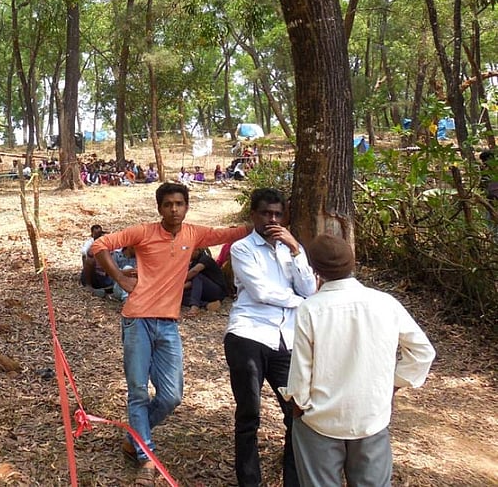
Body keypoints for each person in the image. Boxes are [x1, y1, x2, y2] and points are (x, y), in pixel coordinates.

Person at [91, 182, 253, 483]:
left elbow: (227, 234)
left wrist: (260, 222)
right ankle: (146, 458)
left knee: (171, 396)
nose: (174, 209)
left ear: (187, 206)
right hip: (136, 319)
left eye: (179, 204)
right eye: (168, 204)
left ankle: (136, 435)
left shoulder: (194, 234)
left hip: (168, 323)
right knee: (138, 392)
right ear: (159, 208)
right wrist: (120, 279)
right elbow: (98, 246)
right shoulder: (142, 231)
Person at [281, 234, 436, 487]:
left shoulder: (311, 308)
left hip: (320, 419)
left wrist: (300, 404)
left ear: (314, 269)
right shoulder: (386, 303)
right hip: (370, 417)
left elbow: (301, 369)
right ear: (352, 263)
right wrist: (393, 385)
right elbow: (423, 352)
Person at [223, 187, 317, 487]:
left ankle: (293, 480)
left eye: (277, 214)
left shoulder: (291, 248)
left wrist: (296, 250)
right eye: (265, 213)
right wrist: (301, 303)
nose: (271, 219)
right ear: (254, 215)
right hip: (248, 334)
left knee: (295, 415)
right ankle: (249, 482)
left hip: (286, 339)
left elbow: (310, 289)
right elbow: (261, 292)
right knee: (249, 414)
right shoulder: (242, 249)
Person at [181, 247, 229, 316]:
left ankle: (194, 307)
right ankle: (206, 304)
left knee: (198, 276)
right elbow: (192, 283)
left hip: (217, 291)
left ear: (197, 250)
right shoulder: (193, 262)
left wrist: (179, 283)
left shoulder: (205, 259)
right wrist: (179, 289)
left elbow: (195, 271)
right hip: (204, 291)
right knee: (180, 296)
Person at [80, 224, 113, 295]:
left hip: (105, 276)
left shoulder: (109, 246)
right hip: (95, 274)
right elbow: (84, 253)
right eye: (96, 235)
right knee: (90, 261)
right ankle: (89, 285)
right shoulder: (90, 246)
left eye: (100, 234)